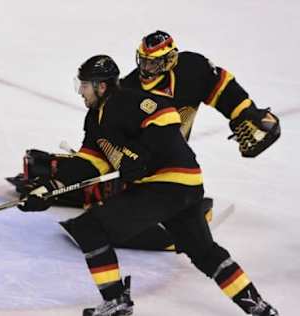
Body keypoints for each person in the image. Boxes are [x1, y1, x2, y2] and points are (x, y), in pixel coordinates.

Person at [17, 55, 278, 316]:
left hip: (166, 184)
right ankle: (261, 309)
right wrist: (49, 188)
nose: (80, 92)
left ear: (102, 86)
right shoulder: (95, 120)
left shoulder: (129, 99)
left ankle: (117, 303)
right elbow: (89, 164)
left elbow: (165, 115)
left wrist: (143, 153)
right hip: (179, 188)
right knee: (204, 252)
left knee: (89, 227)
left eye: (84, 86)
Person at [121, 30, 280, 152]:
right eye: (143, 61)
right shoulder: (129, 89)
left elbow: (221, 88)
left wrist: (244, 112)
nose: (145, 69)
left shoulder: (192, 69)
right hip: (138, 166)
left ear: (169, 60)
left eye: (153, 63)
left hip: (176, 162)